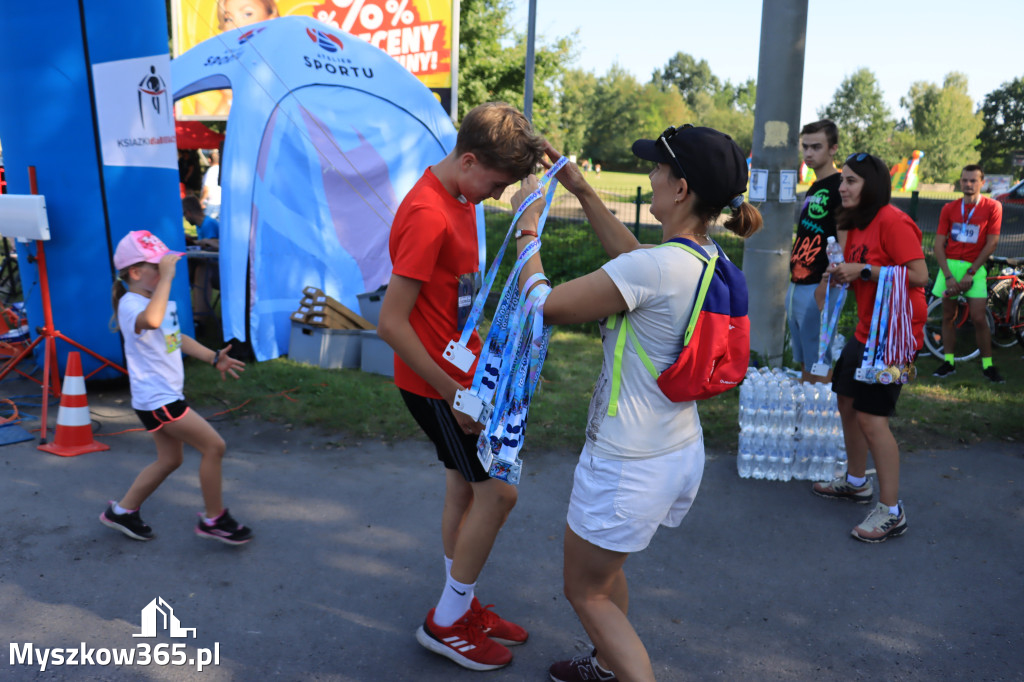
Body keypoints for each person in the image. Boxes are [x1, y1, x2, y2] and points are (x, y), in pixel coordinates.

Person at [512, 126, 762, 682]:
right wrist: (581, 189)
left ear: (680, 189)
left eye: (658, 168)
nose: (650, 174)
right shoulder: (700, 256)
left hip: (628, 464)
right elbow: (633, 262)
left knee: (584, 591)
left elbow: (546, 305)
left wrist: (528, 230)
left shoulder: (654, 269)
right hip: (673, 450)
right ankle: (605, 664)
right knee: (604, 577)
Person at [376, 102, 545, 672]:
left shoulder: (458, 195)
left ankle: (462, 602)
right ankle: (446, 621)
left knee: (463, 490)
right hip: (436, 386)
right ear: (468, 159)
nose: (499, 195)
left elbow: (450, 304)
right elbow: (391, 323)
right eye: (497, 183)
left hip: (456, 379)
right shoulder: (427, 212)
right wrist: (453, 393)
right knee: (498, 494)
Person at [100, 230, 251, 545]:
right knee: (214, 446)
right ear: (136, 272)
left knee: (170, 460)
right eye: (158, 266)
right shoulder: (131, 304)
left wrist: (213, 358)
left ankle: (122, 511)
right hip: (159, 400)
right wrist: (167, 280)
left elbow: (174, 339)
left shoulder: (158, 302)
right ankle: (214, 519)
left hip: (160, 397)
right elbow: (151, 322)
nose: (165, 269)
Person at [812, 153, 928, 543]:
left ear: (872, 186)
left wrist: (863, 270)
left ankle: (892, 511)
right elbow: (851, 277)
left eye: (851, 181)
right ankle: (857, 482)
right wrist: (836, 276)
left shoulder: (893, 221)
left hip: (893, 339)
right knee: (846, 403)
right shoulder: (854, 223)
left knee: (872, 420)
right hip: (865, 333)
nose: (842, 187)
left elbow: (920, 275)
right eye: (842, 180)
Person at [931, 164, 1003, 382]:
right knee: (947, 316)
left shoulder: (993, 207)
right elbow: (937, 246)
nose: (968, 184)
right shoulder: (949, 208)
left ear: (982, 183)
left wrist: (971, 272)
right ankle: (949, 361)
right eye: (964, 180)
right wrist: (949, 276)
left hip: (975, 268)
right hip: (949, 267)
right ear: (960, 182)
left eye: (973, 180)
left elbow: (992, 243)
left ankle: (988, 365)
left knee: (979, 318)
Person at [787, 120, 842, 383]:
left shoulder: (840, 186)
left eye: (816, 147)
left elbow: (843, 240)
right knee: (804, 357)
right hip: (799, 280)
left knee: (819, 357)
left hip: (821, 284)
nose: (809, 153)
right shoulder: (815, 185)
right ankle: (805, 410)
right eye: (805, 147)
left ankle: (818, 413)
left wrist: (826, 281)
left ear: (833, 149)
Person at [200, 149, 221, 220]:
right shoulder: (222, 169)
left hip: (211, 205)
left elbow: (206, 189)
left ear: (209, 160)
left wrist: (201, 201)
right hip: (220, 203)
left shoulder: (211, 171)